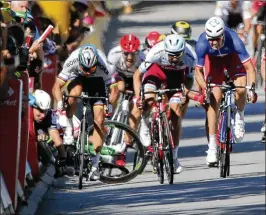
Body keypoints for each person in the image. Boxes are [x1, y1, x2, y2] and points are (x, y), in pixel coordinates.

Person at [127, 34, 201, 174]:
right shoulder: (156, 52)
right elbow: (137, 75)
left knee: (175, 117)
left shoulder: (190, 56)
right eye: (171, 55)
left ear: (183, 52)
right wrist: (138, 98)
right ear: (166, 50)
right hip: (155, 75)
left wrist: (186, 92)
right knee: (148, 99)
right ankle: (144, 123)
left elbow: (190, 79)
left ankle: (174, 157)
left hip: (176, 79)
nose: (174, 58)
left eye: (177, 55)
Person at [194, 16, 257, 165]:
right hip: (214, 64)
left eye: (217, 38)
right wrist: (205, 88)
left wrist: (251, 89)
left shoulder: (234, 40)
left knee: (241, 88)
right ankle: (212, 147)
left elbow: (249, 68)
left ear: (223, 34)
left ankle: (239, 117)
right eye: (211, 39)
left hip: (232, 60)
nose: (214, 42)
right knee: (213, 99)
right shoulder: (202, 43)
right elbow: (198, 72)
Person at [52, 44, 118, 180]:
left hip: (97, 82)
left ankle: (94, 166)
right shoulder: (73, 60)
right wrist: (60, 105)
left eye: (91, 68)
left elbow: (114, 90)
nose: (88, 71)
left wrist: (109, 105)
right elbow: (56, 87)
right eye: (85, 68)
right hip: (77, 78)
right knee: (73, 95)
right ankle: (69, 129)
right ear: (80, 63)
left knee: (99, 120)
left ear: (96, 64)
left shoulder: (102, 64)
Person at [29, 90, 72, 176]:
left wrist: (62, 159)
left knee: (56, 141)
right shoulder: (26, 109)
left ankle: (57, 166)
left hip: (44, 134)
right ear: (32, 106)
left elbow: (57, 139)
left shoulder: (49, 115)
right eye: (41, 111)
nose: (43, 115)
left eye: (45, 111)